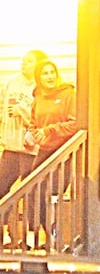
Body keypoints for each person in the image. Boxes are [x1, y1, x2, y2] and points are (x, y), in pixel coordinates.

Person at [0, 50, 45, 193]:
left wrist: (21, 111)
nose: (24, 63)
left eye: (29, 61)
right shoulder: (12, 83)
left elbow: (41, 118)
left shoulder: (41, 87)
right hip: (11, 147)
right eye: (23, 60)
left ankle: (31, 216)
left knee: (31, 192)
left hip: (30, 150)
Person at [27, 59, 77, 163]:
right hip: (44, 151)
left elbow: (75, 124)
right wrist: (31, 135)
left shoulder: (69, 94)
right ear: (38, 78)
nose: (50, 77)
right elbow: (33, 124)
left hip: (65, 151)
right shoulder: (38, 97)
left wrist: (48, 130)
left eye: (52, 72)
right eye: (45, 73)